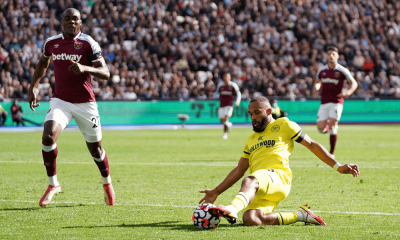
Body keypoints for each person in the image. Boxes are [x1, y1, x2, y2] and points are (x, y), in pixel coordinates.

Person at [199, 96, 359, 226]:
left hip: (279, 177)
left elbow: (312, 145)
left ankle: (232, 208)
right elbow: (239, 169)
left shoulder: (284, 124)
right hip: (260, 187)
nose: (253, 117)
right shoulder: (251, 139)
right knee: (251, 218)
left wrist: (338, 167)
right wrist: (216, 191)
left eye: (257, 112)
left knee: (250, 179)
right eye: (250, 114)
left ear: (269, 111)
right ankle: (301, 215)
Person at [27, 8, 115, 207]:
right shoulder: (51, 43)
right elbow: (43, 63)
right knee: (48, 136)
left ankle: (107, 183)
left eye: (74, 19)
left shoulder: (88, 43)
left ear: (80, 22)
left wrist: (85, 68)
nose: (70, 22)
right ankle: (53, 185)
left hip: (86, 104)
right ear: (62, 22)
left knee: (96, 150)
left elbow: (106, 73)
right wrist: (33, 86)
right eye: (66, 18)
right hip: (61, 101)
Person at [314, 46, 358, 157]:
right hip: (324, 102)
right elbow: (318, 81)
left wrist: (347, 93)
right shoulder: (322, 70)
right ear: (326, 56)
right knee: (320, 129)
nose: (331, 56)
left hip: (336, 101)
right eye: (329, 54)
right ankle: (329, 127)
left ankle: (331, 153)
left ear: (337, 56)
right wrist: (317, 87)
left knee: (333, 125)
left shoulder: (342, 70)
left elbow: (354, 83)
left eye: (333, 54)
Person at [214, 73, 241, 139]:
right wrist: (214, 96)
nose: (226, 78)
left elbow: (238, 94)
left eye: (227, 77)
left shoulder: (233, 85)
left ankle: (225, 134)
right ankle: (229, 124)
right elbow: (216, 93)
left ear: (230, 78)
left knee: (226, 118)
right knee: (222, 120)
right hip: (222, 104)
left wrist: (237, 101)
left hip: (229, 105)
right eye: (225, 77)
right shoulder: (220, 85)